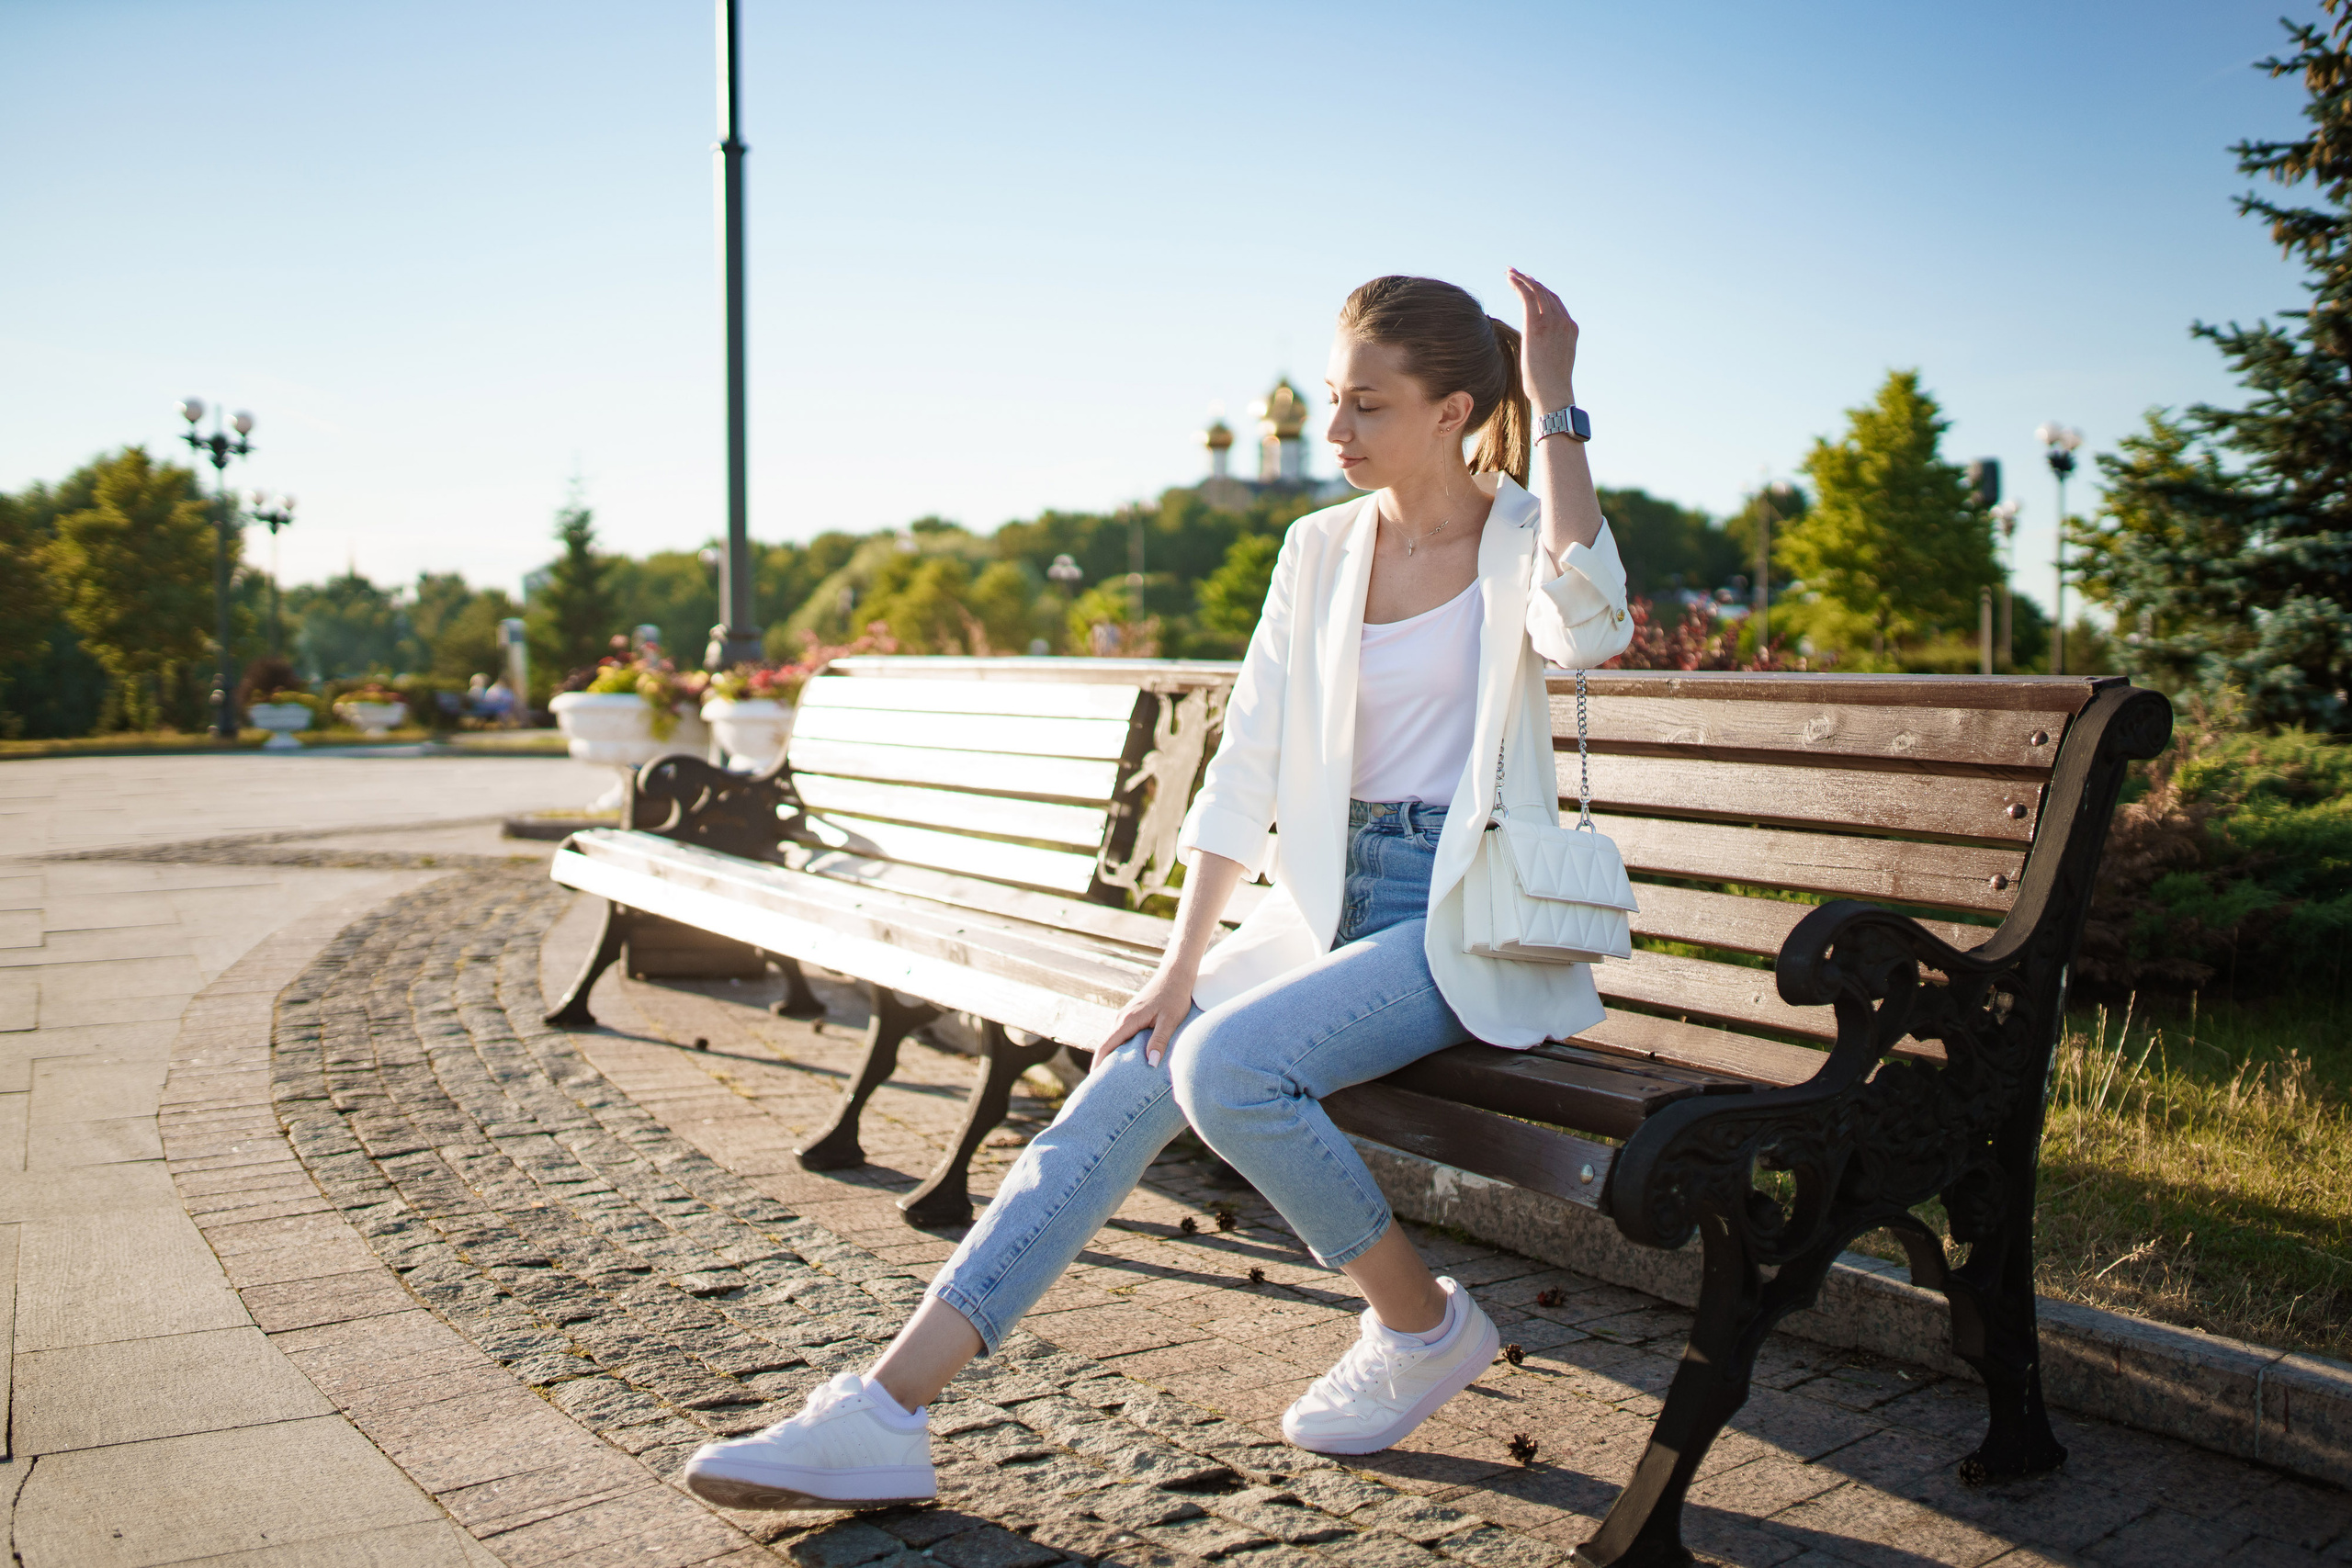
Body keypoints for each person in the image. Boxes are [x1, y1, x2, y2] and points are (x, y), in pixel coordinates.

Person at [684, 271, 1636, 1513]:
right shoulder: (1319, 547)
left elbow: (1593, 628)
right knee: (1137, 1065)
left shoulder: (1522, 536)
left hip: (1459, 914)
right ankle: (886, 1410)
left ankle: (1418, 1324)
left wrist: (1557, 402)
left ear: (1454, 408)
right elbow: (1243, 765)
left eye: (1369, 406)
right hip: (1323, 900)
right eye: (1334, 401)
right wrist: (1181, 964)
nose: (1337, 432)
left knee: (1226, 1069)